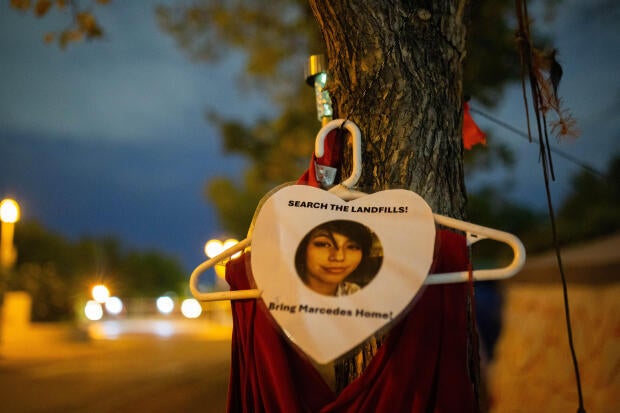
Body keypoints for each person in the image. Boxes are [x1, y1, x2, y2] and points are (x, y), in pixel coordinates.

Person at [295, 220, 378, 296]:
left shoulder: (354, 292)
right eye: (324, 244)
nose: (339, 257)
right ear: (302, 247)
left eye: (352, 246)